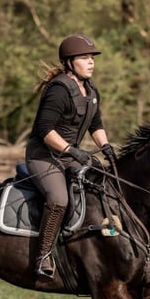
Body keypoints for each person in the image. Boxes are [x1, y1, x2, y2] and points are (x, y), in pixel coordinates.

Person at [25, 34, 116, 278]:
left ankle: (106, 236)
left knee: (106, 181)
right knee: (58, 199)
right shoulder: (59, 90)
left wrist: (106, 146)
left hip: (69, 156)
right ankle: (43, 255)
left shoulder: (91, 90)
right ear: (69, 62)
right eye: (85, 58)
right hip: (43, 156)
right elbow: (45, 130)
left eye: (92, 58)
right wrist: (71, 150)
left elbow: (95, 124)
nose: (91, 62)